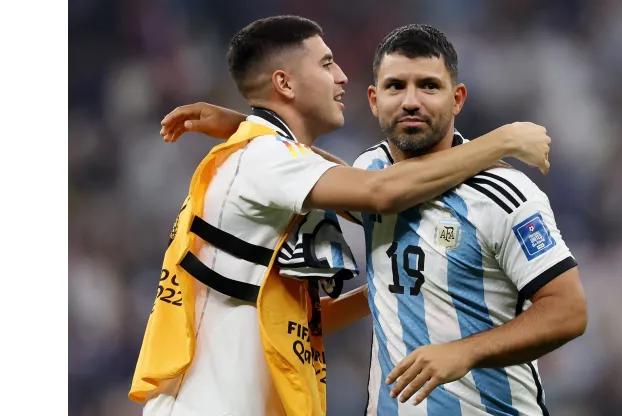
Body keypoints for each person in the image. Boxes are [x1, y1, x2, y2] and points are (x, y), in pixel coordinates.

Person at [137, 16, 554, 416]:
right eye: (325, 63)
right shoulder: (264, 158)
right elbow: (382, 191)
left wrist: (391, 291)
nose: (341, 76)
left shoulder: (267, 158)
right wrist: (504, 139)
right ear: (284, 83)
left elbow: (303, 316)